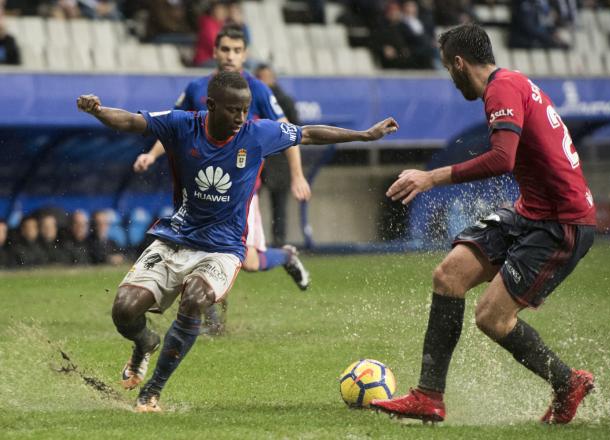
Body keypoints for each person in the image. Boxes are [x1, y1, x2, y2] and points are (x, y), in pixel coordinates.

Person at [76, 70, 399, 412]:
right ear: (211, 105)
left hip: (223, 248)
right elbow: (130, 122)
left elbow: (308, 133)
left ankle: (152, 391)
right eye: (233, 110)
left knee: (196, 300)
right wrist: (98, 111)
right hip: (177, 237)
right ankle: (145, 344)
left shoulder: (258, 133)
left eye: (245, 110)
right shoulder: (181, 125)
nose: (240, 118)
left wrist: (365, 135)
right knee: (124, 310)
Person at [370, 24, 596, 425]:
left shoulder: (502, 89)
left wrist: (431, 177)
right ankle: (428, 397)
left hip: (562, 222)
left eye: (447, 68)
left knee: (492, 319)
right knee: (449, 274)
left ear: (459, 63)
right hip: (531, 211)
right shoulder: (509, 84)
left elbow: (502, 159)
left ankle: (566, 382)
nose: (450, 78)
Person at [133, 25, 312, 336]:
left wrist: (297, 174)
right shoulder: (196, 88)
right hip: (201, 187)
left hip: (240, 192)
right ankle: (213, 320)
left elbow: (289, 133)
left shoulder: (257, 90)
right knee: (203, 248)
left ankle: (285, 255)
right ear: (214, 52)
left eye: (237, 50)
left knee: (250, 262)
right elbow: (174, 127)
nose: (230, 56)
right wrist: (151, 154)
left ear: (245, 54)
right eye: (225, 49)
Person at [255, 63, 299, 247]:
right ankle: (252, 241)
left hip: (278, 160)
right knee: (250, 203)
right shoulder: (251, 97)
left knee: (279, 206)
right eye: (260, 77)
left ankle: (279, 242)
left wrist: (297, 173)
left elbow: (295, 132)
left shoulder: (284, 101)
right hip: (257, 159)